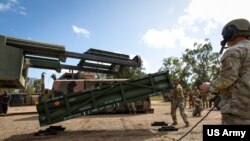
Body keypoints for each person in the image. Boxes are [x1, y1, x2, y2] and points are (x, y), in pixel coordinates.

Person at [200, 18, 250, 125]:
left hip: (239, 111)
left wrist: (209, 86)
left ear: (230, 33)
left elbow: (227, 79)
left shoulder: (234, 51)